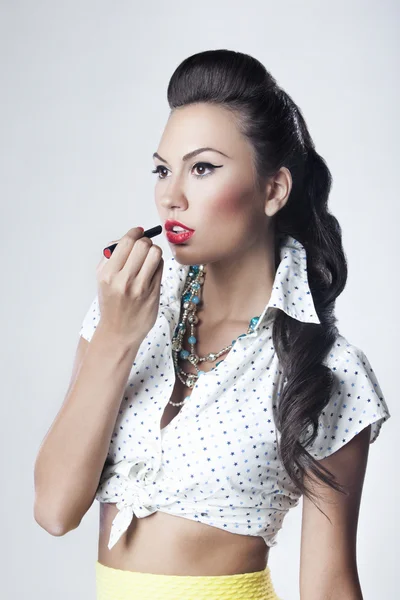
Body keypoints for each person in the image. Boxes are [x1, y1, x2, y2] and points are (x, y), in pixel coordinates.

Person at [34, 49, 391, 600]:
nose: (170, 196)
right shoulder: (126, 310)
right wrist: (117, 338)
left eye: (202, 168)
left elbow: (330, 585)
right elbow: (55, 510)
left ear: (273, 190)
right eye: (162, 169)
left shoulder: (327, 369)